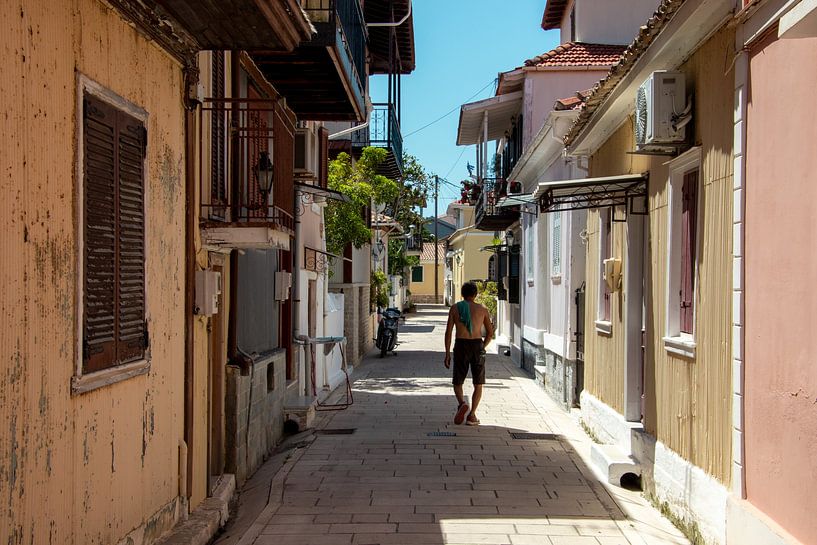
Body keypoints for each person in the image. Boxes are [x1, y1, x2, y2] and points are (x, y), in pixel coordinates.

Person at [444, 282, 494, 426]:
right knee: (478, 382)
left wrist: (447, 353)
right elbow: (490, 333)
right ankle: (472, 415)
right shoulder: (482, 309)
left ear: (462, 294)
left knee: (457, 381)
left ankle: (462, 403)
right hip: (477, 345)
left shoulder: (455, 308)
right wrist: (483, 346)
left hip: (461, 344)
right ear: (475, 294)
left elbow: (448, 332)